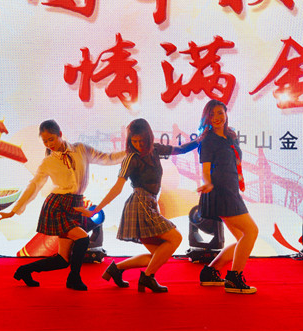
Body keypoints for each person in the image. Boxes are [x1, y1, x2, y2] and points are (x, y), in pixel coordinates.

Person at [0, 119, 125, 291]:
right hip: (57, 206)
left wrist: (129, 153)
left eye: (52, 139)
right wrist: (14, 210)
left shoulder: (81, 149)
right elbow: (34, 186)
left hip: (76, 204)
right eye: (45, 141)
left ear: (60, 135)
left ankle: (24, 271)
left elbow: (107, 158)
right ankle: (74, 279)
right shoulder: (48, 162)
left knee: (63, 260)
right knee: (82, 238)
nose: (49, 144)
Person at [76, 118, 197, 293]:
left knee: (157, 255)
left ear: (149, 137)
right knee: (175, 238)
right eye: (134, 141)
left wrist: (201, 139)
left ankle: (116, 269)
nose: (139, 145)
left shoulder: (155, 149)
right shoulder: (131, 158)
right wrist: (95, 209)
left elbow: (181, 149)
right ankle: (147, 278)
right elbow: (117, 188)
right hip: (140, 204)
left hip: (150, 204)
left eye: (142, 140)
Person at [196, 99, 258, 294]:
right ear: (207, 118)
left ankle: (210, 272)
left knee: (242, 237)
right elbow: (206, 170)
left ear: (225, 114)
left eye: (219, 113)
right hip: (220, 192)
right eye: (212, 114)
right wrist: (207, 183)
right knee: (251, 232)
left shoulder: (231, 137)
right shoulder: (208, 141)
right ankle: (234, 278)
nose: (216, 117)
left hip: (232, 190)